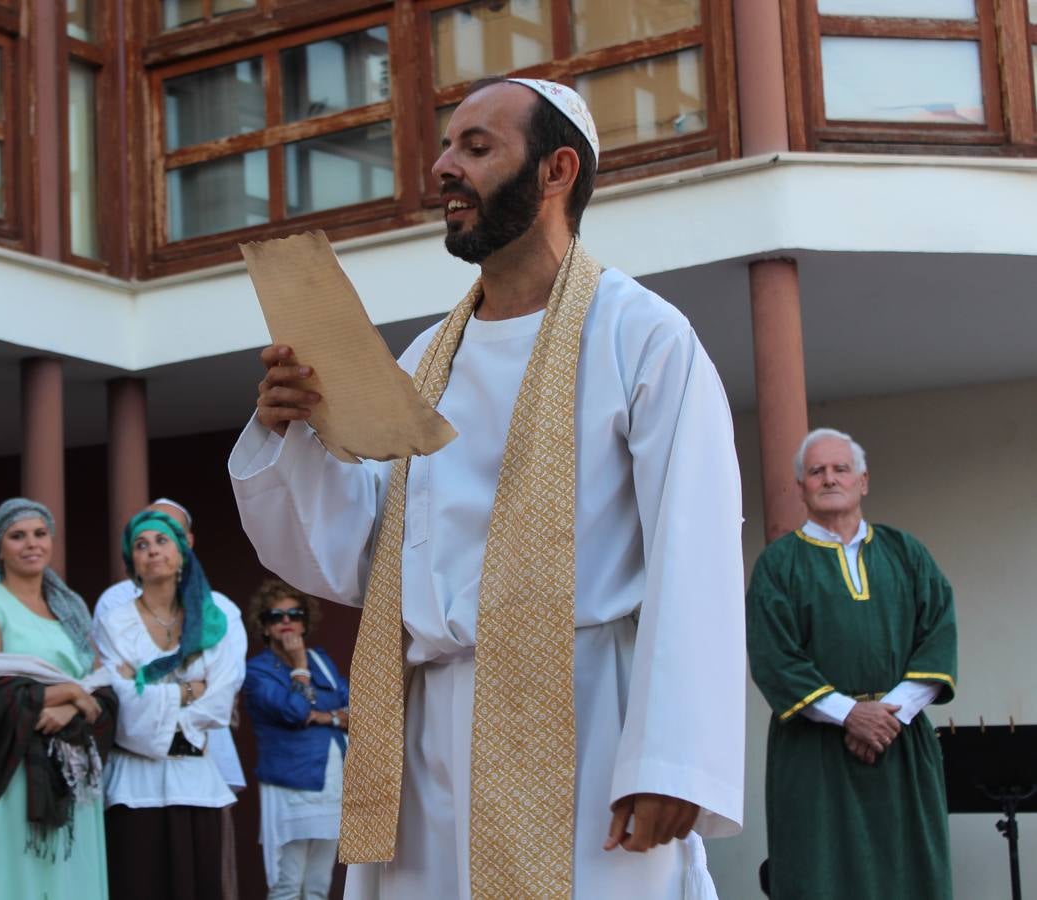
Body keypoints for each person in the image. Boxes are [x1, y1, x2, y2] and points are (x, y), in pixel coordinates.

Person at [229, 76, 746, 899]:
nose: (442, 168)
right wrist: (298, 435)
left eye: (477, 147)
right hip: (424, 728)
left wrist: (674, 758)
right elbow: (354, 553)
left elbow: (698, 551)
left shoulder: (641, 336)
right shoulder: (424, 359)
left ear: (556, 171)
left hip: (584, 725)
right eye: (446, 146)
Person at [747, 428, 957, 900]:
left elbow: (938, 637)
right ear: (801, 487)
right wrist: (850, 714)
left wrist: (888, 716)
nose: (829, 478)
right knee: (819, 874)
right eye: (816, 471)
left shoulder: (908, 555)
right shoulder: (778, 566)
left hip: (902, 745)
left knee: (910, 874)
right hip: (813, 751)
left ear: (863, 481)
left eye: (840, 468)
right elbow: (775, 658)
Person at [93, 496, 248, 898]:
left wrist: (155, 693)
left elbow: (220, 699)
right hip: (133, 786)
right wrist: (188, 689)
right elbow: (121, 703)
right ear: (132, 561)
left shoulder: (212, 618)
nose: (152, 550)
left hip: (198, 781)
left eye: (162, 540)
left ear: (182, 552)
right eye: (141, 544)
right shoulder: (116, 621)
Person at [0, 498, 114, 900]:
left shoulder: (72, 608)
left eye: (40, 534)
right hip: (16, 769)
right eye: (17, 536)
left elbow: (99, 687)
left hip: (74, 769)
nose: (31, 544)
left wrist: (69, 705)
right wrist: (64, 691)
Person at [242, 579, 348, 900]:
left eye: (294, 614)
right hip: (290, 784)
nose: (286, 621)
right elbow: (295, 712)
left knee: (318, 884)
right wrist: (300, 667)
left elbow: (354, 708)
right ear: (265, 625)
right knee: (287, 884)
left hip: (331, 781)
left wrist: (324, 716)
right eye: (276, 616)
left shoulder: (322, 661)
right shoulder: (257, 671)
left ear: (306, 621)